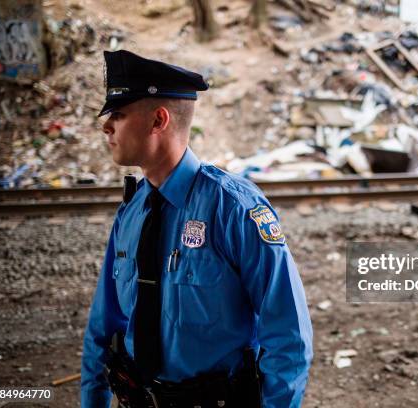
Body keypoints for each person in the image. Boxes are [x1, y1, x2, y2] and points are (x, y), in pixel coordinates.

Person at [81, 49, 313, 408]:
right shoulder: (132, 211)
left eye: (119, 114)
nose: (105, 125)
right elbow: (104, 323)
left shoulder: (234, 208)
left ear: (158, 120)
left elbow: (288, 335)